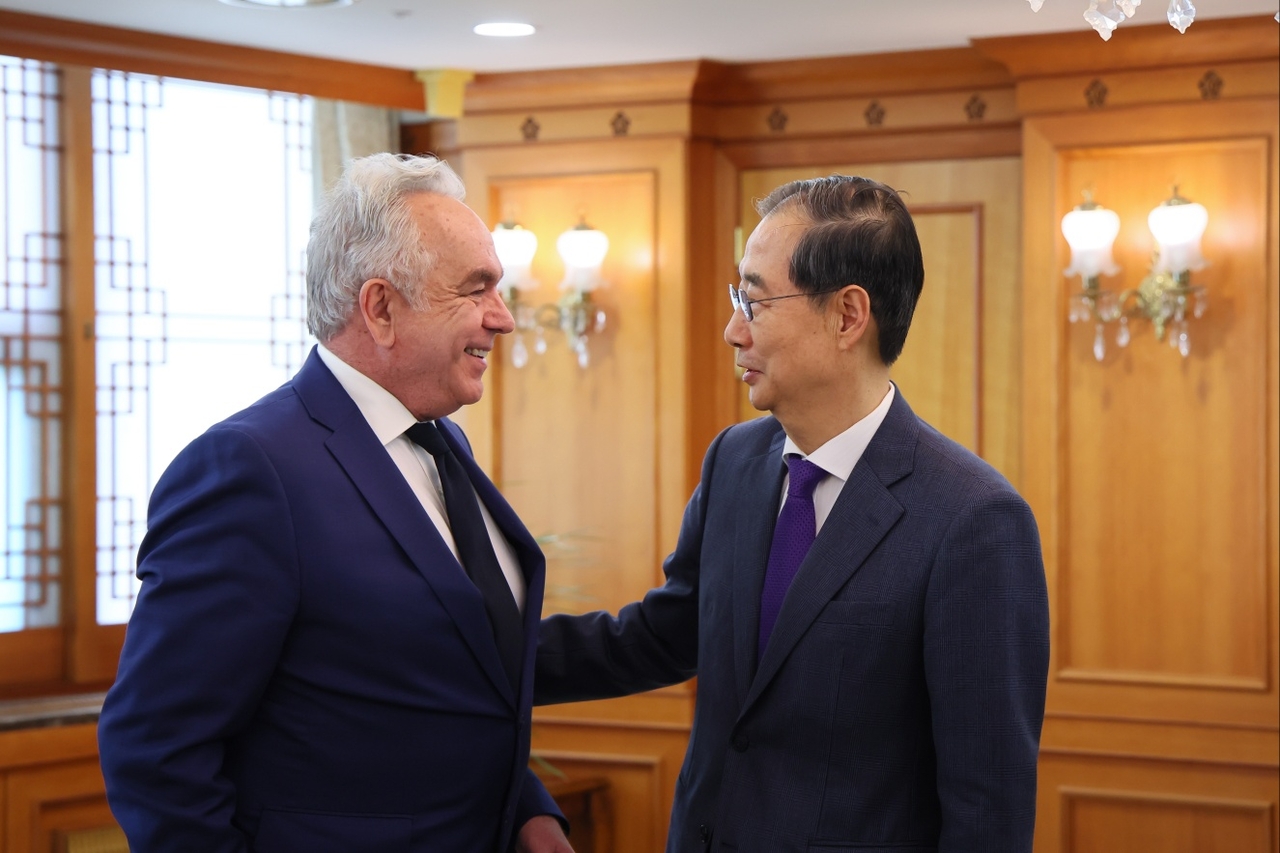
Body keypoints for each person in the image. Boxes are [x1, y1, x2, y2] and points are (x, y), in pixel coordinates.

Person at [535, 175, 1050, 852]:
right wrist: (469, 653)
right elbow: (660, 637)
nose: (732, 329)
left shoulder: (974, 520)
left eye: (755, 300)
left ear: (847, 315)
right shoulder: (735, 463)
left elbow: (986, 810)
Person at [98, 153, 573, 853]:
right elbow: (154, 747)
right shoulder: (249, 469)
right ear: (380, 307)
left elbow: (461, 675)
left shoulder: (444, 446)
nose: (501, 318)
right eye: (476, 290)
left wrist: (529, 811)